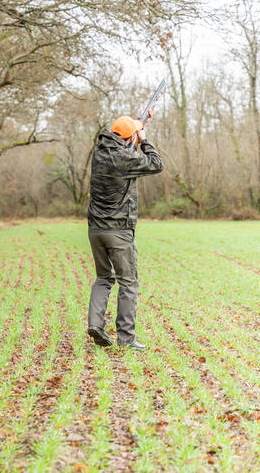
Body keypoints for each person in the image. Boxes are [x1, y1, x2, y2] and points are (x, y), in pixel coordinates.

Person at [86, 112, 163, 351]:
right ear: (130, 139)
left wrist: (140, 123)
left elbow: (123, 141)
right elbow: (156, 163)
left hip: (95, 230)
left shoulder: (100, 152)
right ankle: (126, 339)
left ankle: (95, 325)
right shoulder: (124, 159)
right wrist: (145, 140)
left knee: (103, 278)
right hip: (118, 231)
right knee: (128, 283)